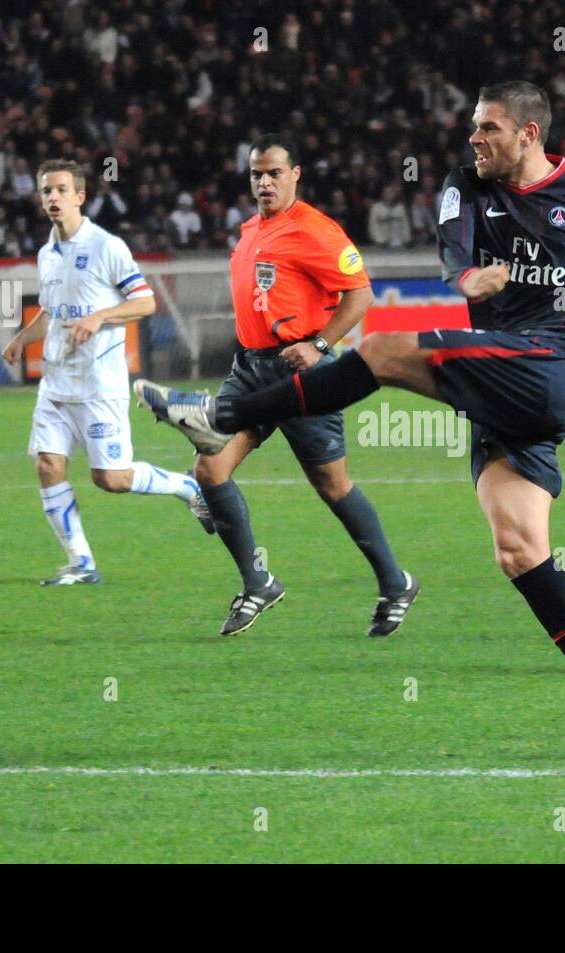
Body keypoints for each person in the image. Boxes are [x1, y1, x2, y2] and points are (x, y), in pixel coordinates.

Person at [136, 83, 565, 761]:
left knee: (381, 349)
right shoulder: (467, 184)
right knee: (519, 550)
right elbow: (453, 242)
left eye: (490, 128)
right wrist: (464, 275)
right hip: (497, 384)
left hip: (547, 367)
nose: (475, 138)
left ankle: (219, 413)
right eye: (474, 126)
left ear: (529, 133)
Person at [134, 134, 416, 638]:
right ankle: (257, 581)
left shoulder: (316, 230)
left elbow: (361, 294)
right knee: (210, 469)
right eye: (256, 175)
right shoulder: (250, 231)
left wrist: (321, 346)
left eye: (274, 173)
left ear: (295, 175)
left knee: (332, 485)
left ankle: (396, 584)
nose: (264, 182)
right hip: (251, 369)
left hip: (303, 372)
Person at [1, 159, 212, 586]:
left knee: (111, 479)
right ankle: (81, 563)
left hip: (100, 386)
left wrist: (100, 317)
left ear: (80, 196)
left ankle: (189, 488)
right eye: (47, 191)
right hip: (57, 384)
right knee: (47, 465)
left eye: (61, 190)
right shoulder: (47, 252)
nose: (53, 198)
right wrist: (22, 338)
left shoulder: (106, 246)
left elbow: (145, 301)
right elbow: (50, 310)